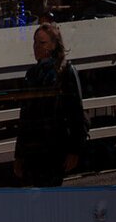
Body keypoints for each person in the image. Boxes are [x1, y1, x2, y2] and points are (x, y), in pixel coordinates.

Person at [10, 21, 90, 187]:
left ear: (54, 45)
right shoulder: (32, 73)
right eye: (35, 42)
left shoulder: (65, 70)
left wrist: (74, 150)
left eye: (42, 43)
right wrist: (19, 155)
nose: (37, 47)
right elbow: (25, 117)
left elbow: (76, 112)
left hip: (55, 146)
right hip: (34, 148)